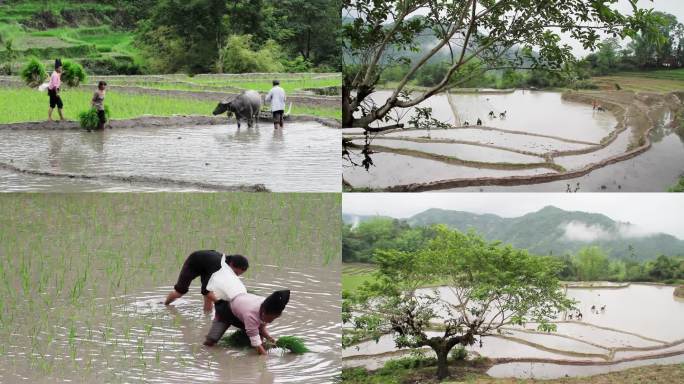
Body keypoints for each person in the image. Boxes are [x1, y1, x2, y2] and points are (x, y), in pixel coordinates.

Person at [204, 289, 291, 356]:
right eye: (270, 318)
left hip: (241, 310)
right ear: (264, 312)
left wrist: (270, 338)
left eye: (275, 318)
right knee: (211, 341)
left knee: (259, 339)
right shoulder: (251, 314)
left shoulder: (268, 306)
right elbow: (256, 341)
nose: (271, 321)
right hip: (225, 311)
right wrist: (264, 357)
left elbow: (261, 327)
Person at [164, 250, 249, 312]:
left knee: (209, 293)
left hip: (207, 267)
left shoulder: (226, 264)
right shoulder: (218, 266)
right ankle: (166, 304)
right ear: (231, 265)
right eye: (235, 273)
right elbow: (204, 291)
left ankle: (206, 318)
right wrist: (220, 303)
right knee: (180, 291)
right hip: (194, 263)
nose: (235, 276)